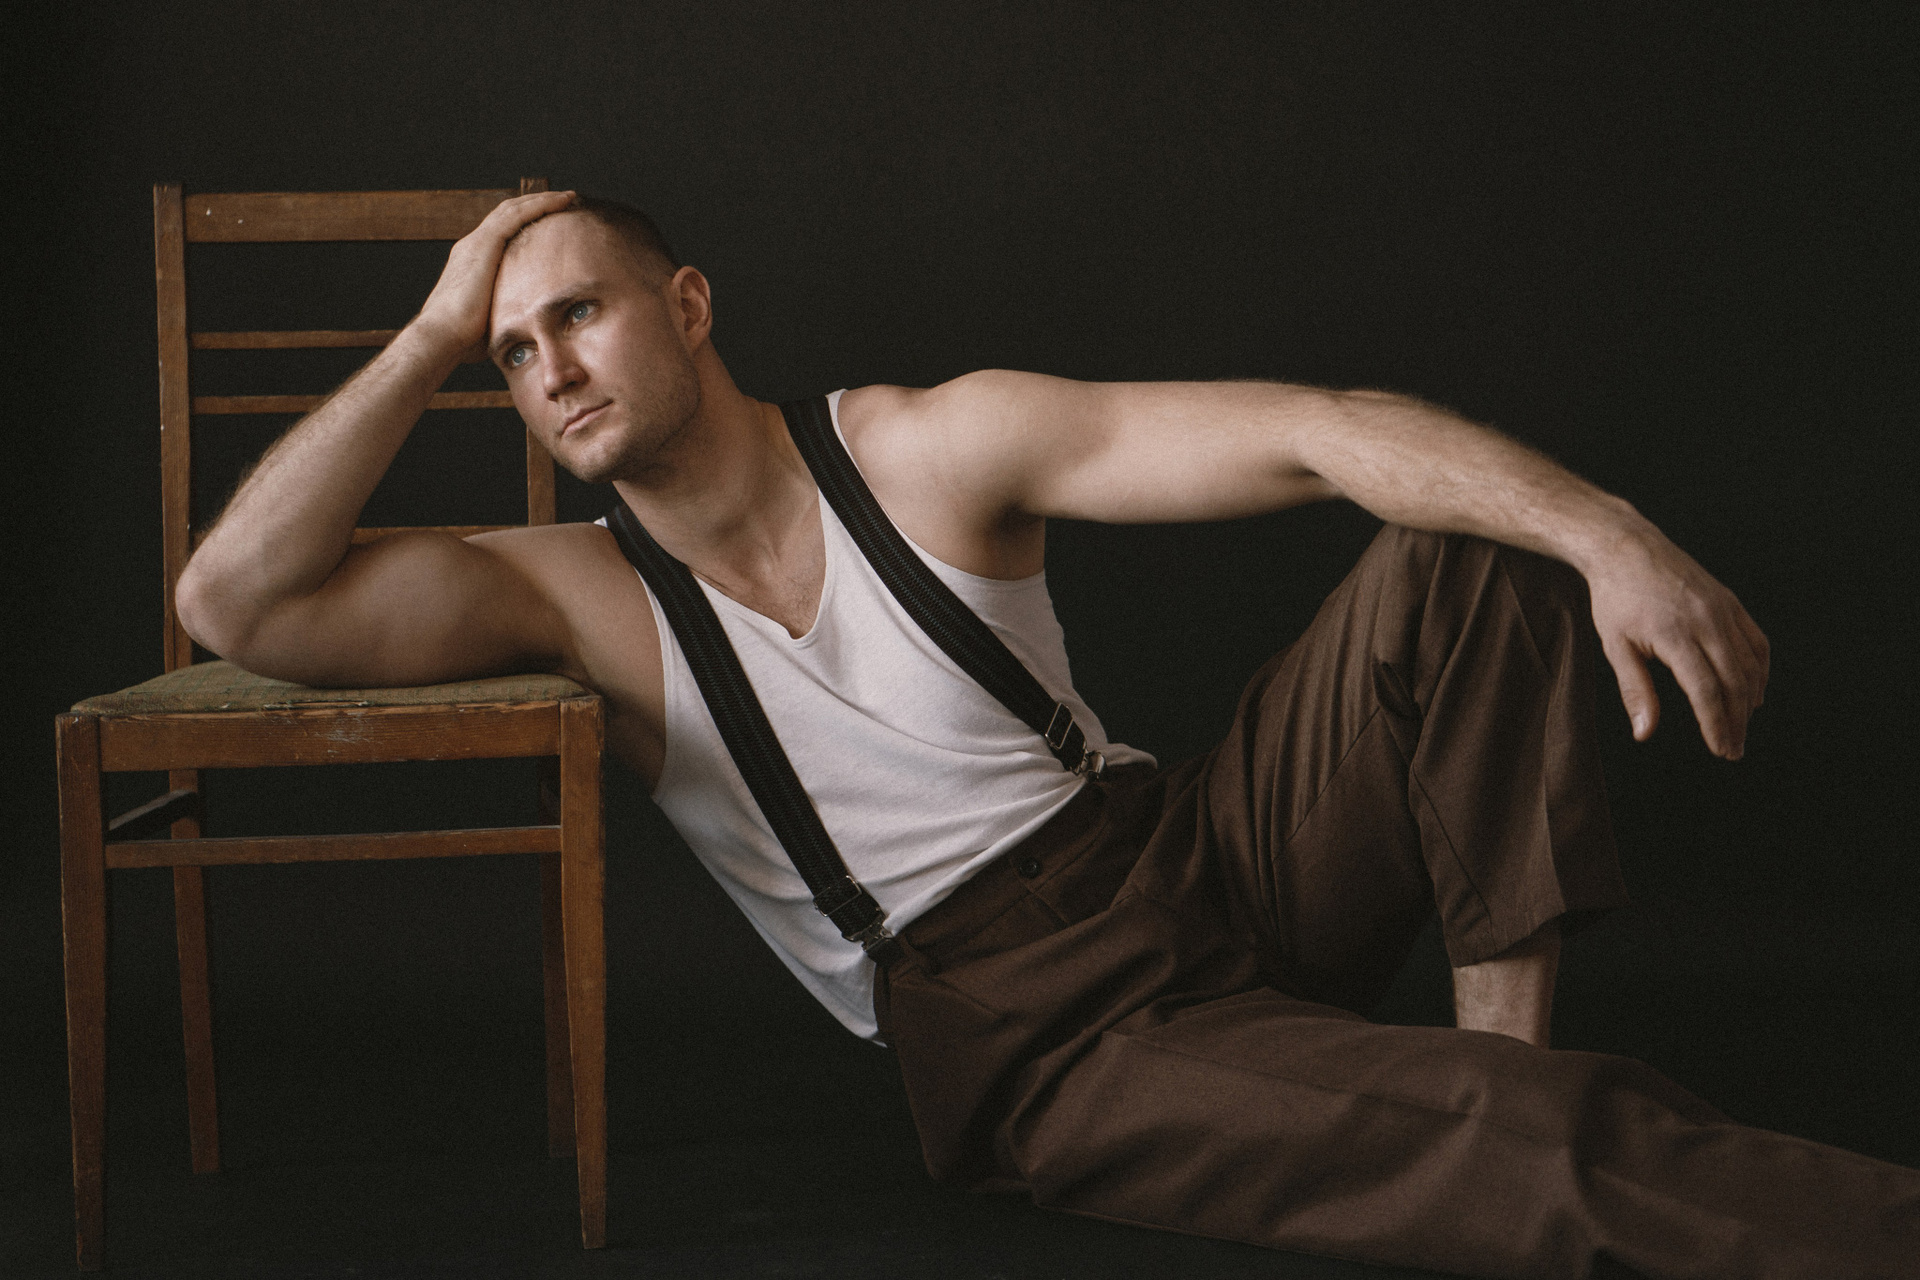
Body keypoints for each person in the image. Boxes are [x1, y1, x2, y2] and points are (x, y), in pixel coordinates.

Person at [175, 191, 1915, 1278]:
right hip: (1043, 1037)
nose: (548, 366)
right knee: (1525, 1145)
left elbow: (1317, 429)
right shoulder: (564, 596)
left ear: (688, 306)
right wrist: (429, 327)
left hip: (1196, 855)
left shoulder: (928, 448)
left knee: (1468, 554)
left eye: (579, 311)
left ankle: (1501, 1080)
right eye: (509, 354)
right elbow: (237, 602)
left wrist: (1606, 530)